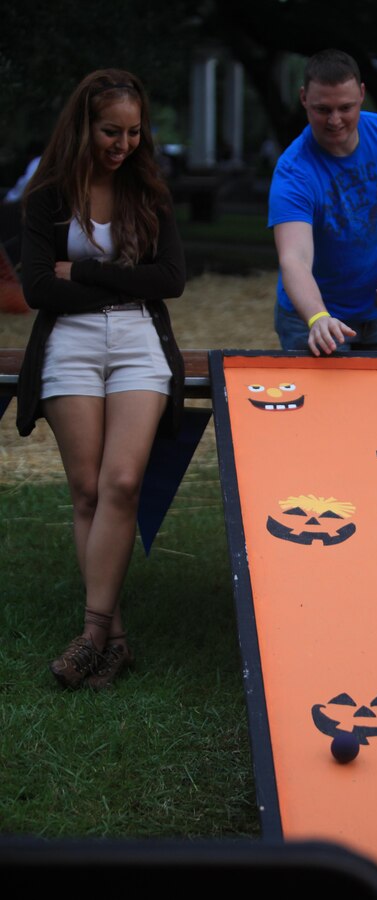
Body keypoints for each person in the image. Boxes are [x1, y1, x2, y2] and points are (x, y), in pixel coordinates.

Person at [17, 69, 186, 690]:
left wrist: (86, 274)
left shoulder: (150, 193)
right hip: (71, 344)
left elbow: (168, 280)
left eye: (134, 132)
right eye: (111, 131)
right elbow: (38, 288)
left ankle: (90, 636)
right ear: (84, 126)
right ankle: (112, 640)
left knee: (122, 480)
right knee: (87, 490)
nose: (123, 144)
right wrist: (120, 274)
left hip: (139, 342)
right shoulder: (48, 198)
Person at [268, 49, 377, 356]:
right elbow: (294, 259)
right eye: (322, 109)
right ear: (303, 99)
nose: (335, 120)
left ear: (362, 94)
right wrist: (318, 317)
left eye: (345, 107)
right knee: (326, 406)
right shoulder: (294, 172)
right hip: (315, 319)